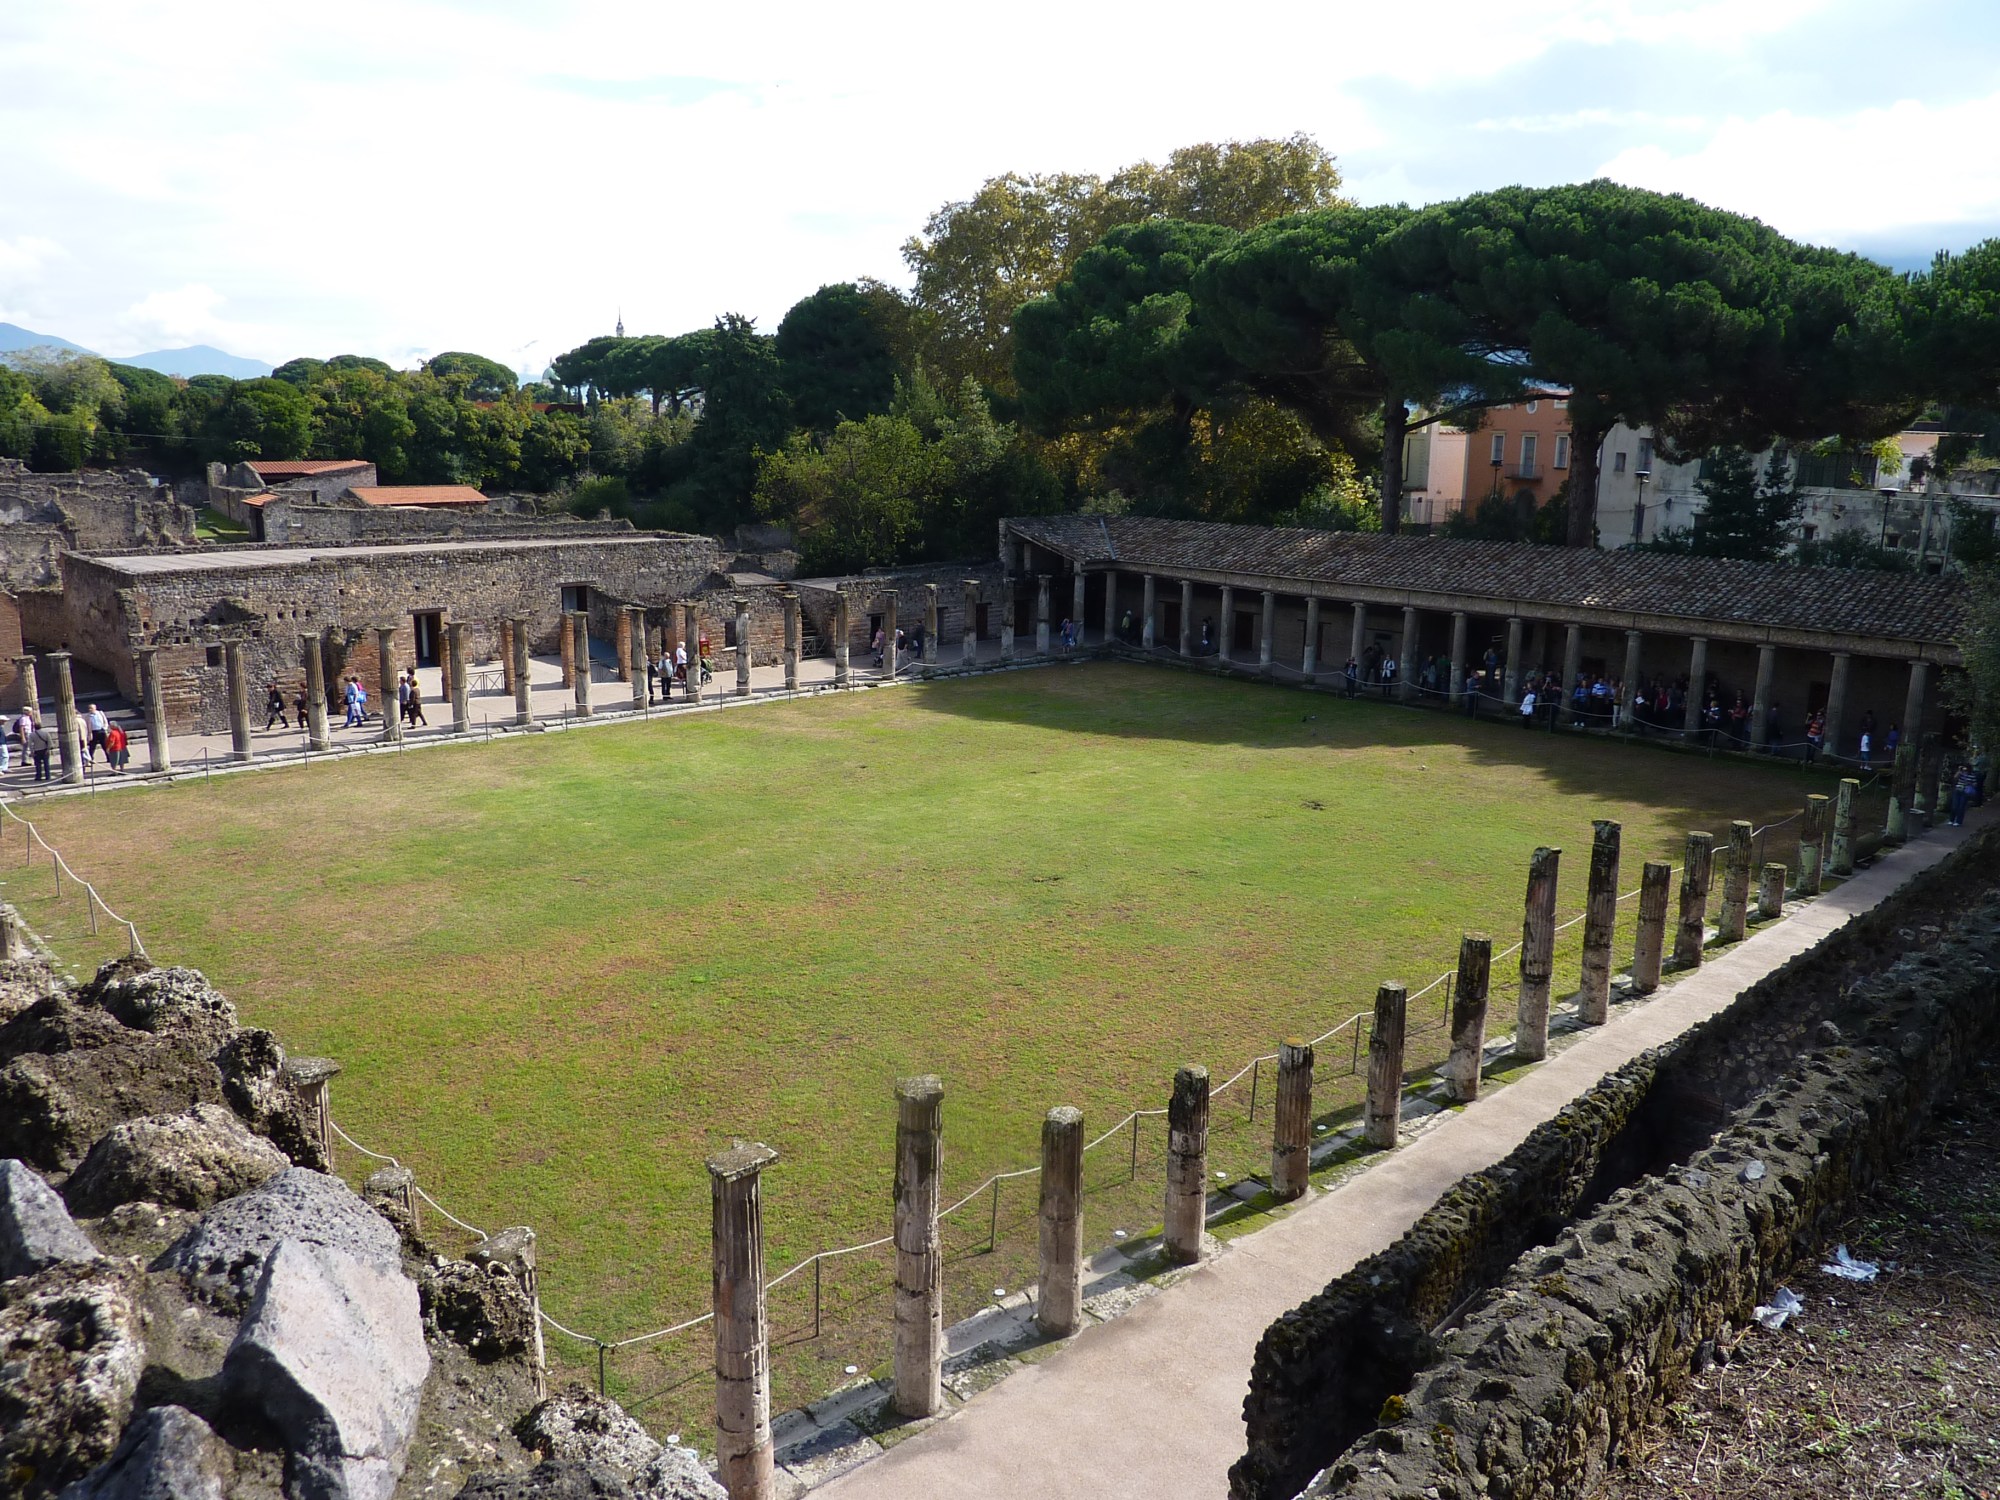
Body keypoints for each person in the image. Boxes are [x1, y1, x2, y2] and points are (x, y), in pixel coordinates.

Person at [1950, 762, 1976, 827]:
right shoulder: (1960, 773)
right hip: (1958, 790)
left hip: (1965, 792)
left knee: (1961, 807)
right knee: (1954, 806)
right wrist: (1959, 771)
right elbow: (1955, 777)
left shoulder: (1972, 775)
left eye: (1966, 768)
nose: (1965, 769)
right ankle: (1951, 820)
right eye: (1963, 767)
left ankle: (1958, 821)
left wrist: (1969, 783)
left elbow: (1975, 784)